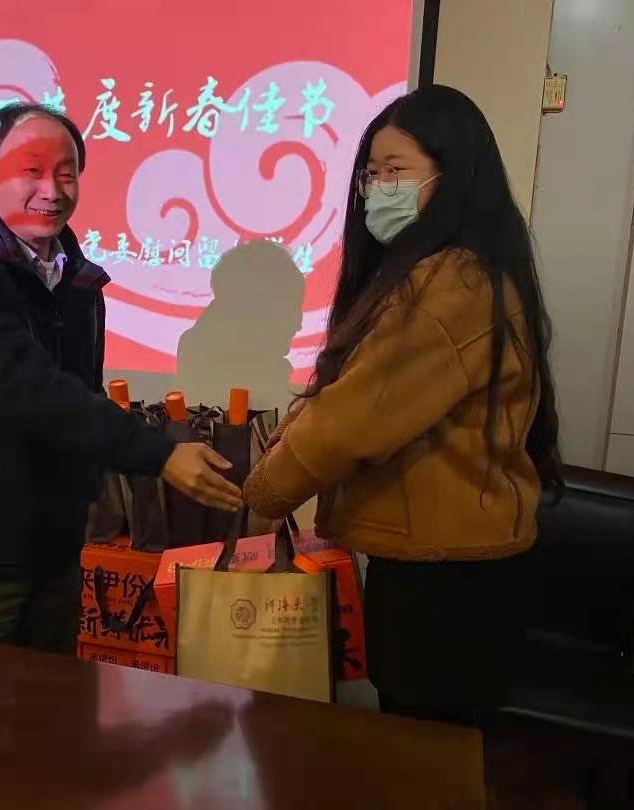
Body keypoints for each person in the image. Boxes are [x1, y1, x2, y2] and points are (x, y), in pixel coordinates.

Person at [243, 85, 561, 726]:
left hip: (445, 582)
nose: (377, 189)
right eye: (371, 173)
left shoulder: (450, 283)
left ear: (454, 176)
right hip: (447, 564)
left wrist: (262, 492)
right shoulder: (462, 272)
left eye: (396, 171)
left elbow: (353, 419)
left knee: (425, 752)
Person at [0, 103, 242, 652]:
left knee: (54, 702)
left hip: (56, 550)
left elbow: (78, 394)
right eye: (32, 171)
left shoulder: (72, 274)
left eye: (67, 174)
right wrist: (158, 453)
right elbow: (32, 390)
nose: (52, 190)